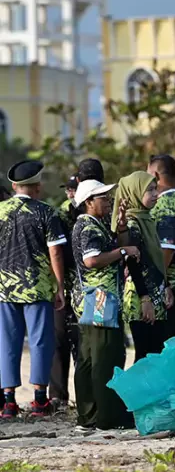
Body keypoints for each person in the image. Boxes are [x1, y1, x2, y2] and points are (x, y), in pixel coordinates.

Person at [0, 160, 67, 418]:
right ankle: (40, 401)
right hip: (37, 287)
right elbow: (56, 252)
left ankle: (8, 402)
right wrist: (60, 285)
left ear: (14, 186)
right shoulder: (46, 213)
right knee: (40, 341)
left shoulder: (1, 211)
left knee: (7, 342)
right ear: (37, 186)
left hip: (5, 287)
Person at [71, 179, 137, 431]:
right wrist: (123, 252)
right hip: (99, 300)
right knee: (103, 358)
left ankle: (89, 417)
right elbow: (91, 260)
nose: (108, 201)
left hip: (97, 300)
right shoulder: (87, 227)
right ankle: (105, 418)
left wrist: (120, 227)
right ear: (89, 202)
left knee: (91, 357)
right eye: (103, 198)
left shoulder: (95, 224)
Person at [113, 172, 170, 361]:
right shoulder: (132, 223)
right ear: (134, 193)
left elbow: (155, 261)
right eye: (149, 190)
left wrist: (166, 287)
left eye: (156, 189)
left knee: (154, 356)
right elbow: (133, 264)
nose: (155, 194)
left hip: (154, 297)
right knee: (145, 357)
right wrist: (145, 299)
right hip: (140, 299)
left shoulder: (146, 219)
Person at [149, 154, 175, 338]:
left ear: (156, 176)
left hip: (170, 289)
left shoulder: (165, 203)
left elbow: (167, 248)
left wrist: (158, 281)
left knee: (167, 349)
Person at [51, 173, 80, 409]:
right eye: (68, 190)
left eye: (74, 189)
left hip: (81, 285)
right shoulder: (59, 212)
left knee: (82, 343)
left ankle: (85, 393)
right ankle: (58, 396)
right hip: (64, 283)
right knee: (58, 340)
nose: (70, 194)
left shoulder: (92, 210)